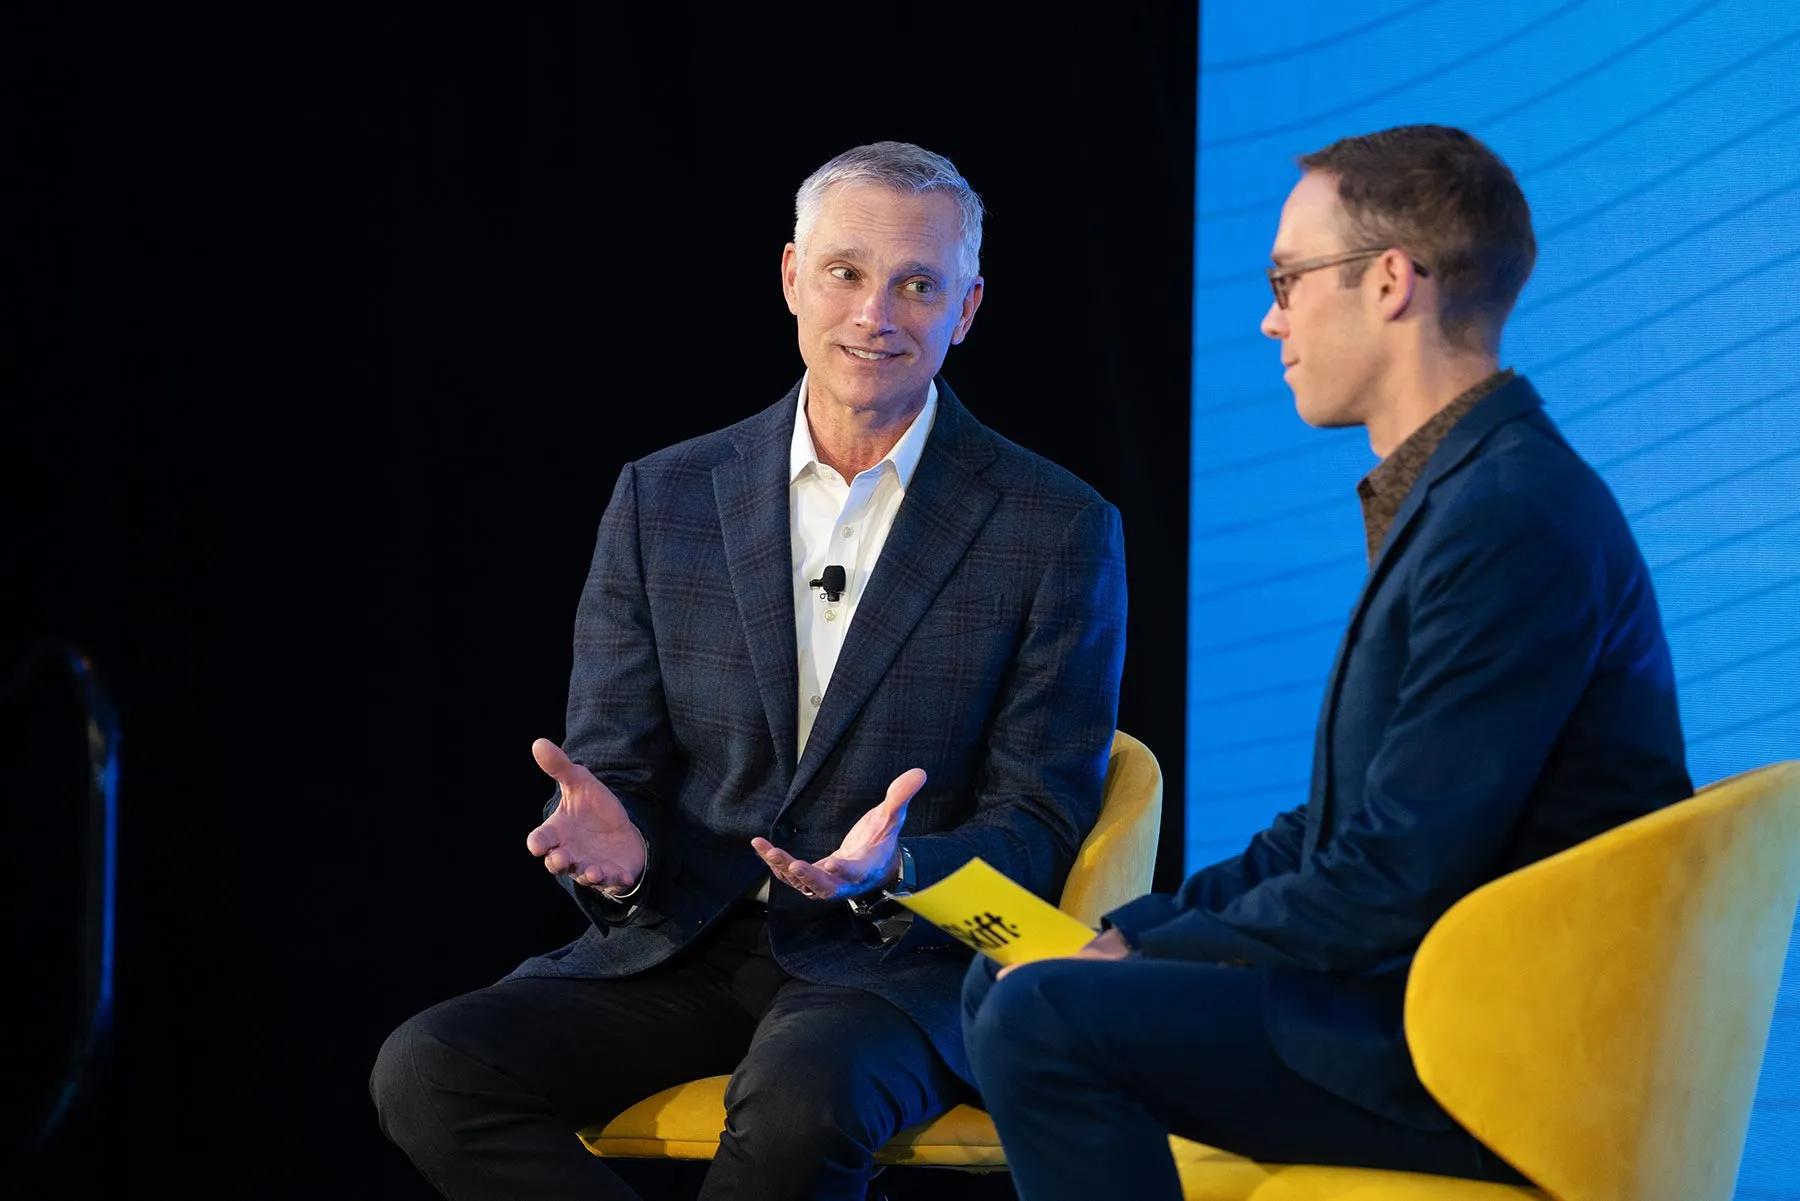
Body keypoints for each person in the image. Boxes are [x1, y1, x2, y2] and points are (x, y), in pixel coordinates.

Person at [370, 140, 1128, 1201]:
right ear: (790, 278)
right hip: (684, 942)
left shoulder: (1058, 525)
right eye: (846, 273)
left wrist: (897, 868)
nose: (877, 312)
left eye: (919, 284)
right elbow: (614, 762)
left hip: (896, 961)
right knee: (431, 1068)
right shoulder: (664, 497)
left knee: (799, 1097)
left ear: (966, 310)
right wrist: (618, 854)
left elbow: (1043, 813)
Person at [961, 123, 1693, 1197]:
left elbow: (1394, 876)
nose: (1269, 318)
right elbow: (1335, 830)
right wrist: (1121, 931)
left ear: (1392, 281)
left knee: (1041, 1014)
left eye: (1287, 279)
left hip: (1484, 1050)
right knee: (1007, 980)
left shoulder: (1510, 516)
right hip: (1410, 997)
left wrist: (1140, 958)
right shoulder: (1463, 497)